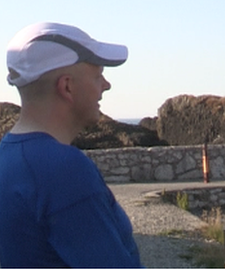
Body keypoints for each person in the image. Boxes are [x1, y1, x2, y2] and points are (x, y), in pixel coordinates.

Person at [0, 22, 142, 267]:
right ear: (67, 86)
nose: (106, 85)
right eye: (98, 75)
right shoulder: (63, 170)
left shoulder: (7, 157)